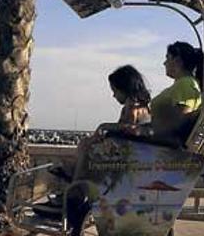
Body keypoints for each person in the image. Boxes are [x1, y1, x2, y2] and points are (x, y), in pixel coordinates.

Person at [33, 65, 152, 218]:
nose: (113, 96)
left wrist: (105, 126)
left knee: (85, 147)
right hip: (130, 152)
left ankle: (72, 193)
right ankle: (71, 181)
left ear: (125, 87)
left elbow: (128, 129)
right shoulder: (144, 106)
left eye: (115, 91)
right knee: (85, 145)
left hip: (124, 157)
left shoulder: (132, 107)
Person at [148, 41, 204, 147]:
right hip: (159, 139)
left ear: (177, 60)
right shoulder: (181, 84)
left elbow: (179, 123)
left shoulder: (186, 84)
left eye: (167, 58)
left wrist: (145, 131)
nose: (164, 63)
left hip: (165, 144)